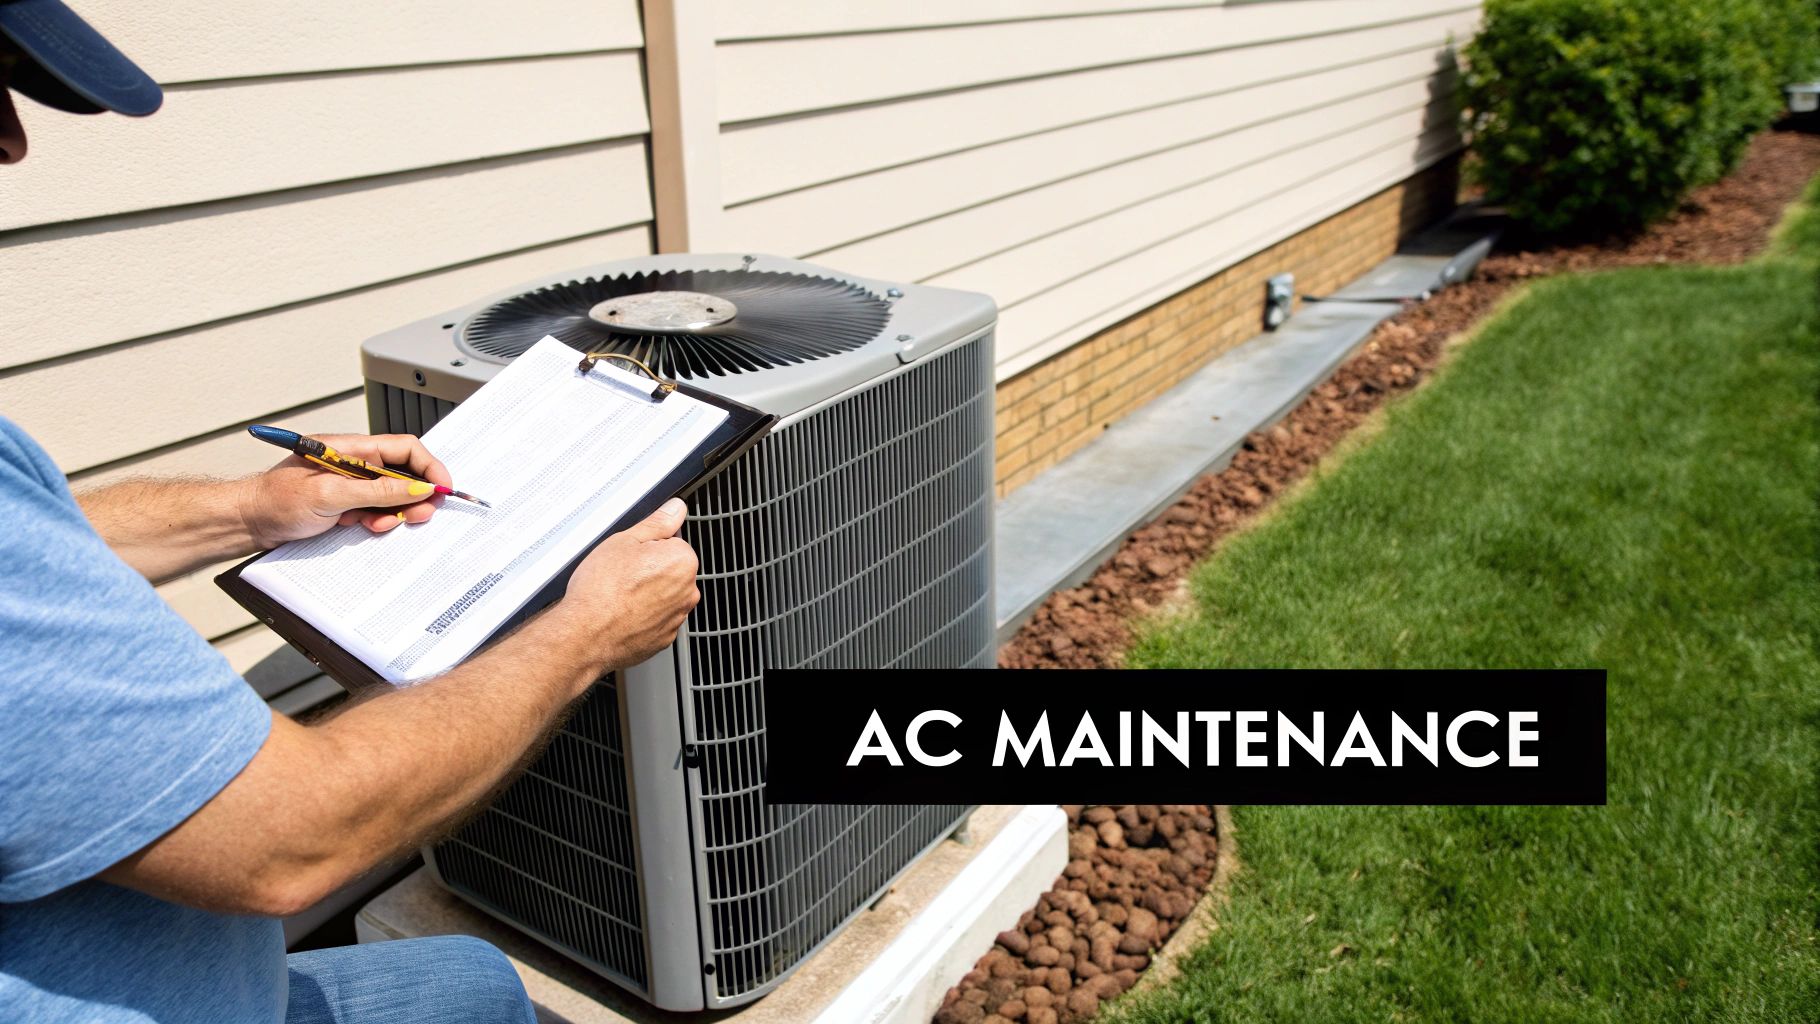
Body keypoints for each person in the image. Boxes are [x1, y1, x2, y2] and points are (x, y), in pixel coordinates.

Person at [0, 4, 703, 1021]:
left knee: (475, 984)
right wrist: (584, 635)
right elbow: (294, 840)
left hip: (227, 981)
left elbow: (36, 537)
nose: (13, 142)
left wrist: (250, 508)